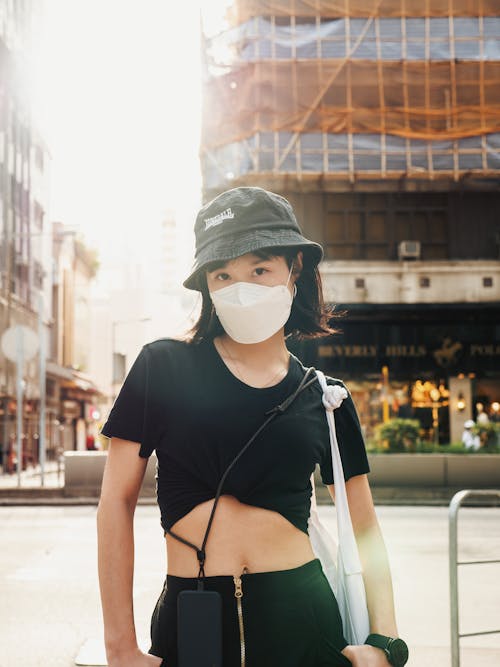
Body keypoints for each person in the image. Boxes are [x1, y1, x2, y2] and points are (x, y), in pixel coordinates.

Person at [97, 187, 408, 667]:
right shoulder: (161, 367)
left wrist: (386, 644)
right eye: (223, 274)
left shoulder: (324, 395)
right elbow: (115, 503)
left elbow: (365, 526)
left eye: (259, 269)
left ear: (294, 269)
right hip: (193, 617)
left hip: (302, 620)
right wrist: (120, 648)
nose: (241, 287)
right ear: (207, 284)